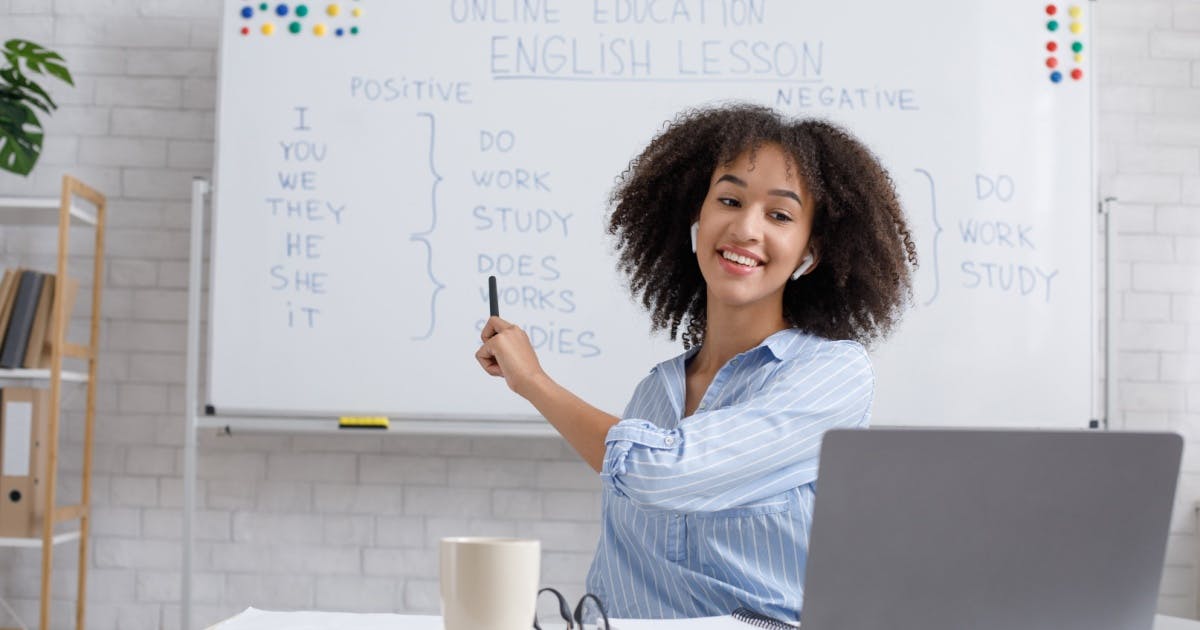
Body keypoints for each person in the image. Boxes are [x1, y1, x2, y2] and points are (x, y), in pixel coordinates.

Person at [475, 103, 917, 621]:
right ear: (697, 219)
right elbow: (619, 575)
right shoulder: (655, 391)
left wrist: (532, 382)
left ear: (809, 254)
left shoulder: (829, 376)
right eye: (729, 200)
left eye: (779, 215)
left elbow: (659, 473)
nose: (746, 228)